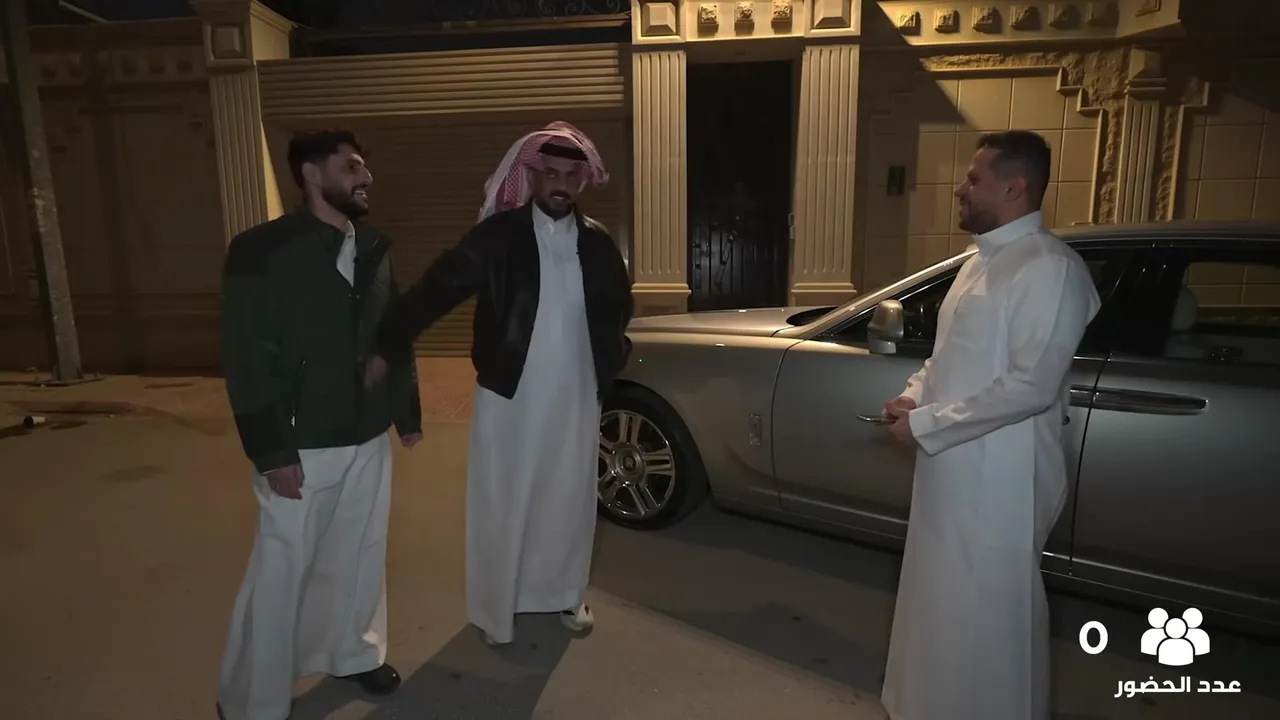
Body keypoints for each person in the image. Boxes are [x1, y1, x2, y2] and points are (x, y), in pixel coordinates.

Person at [365, 121, 633, 647]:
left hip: (578, 395)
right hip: (511, 391)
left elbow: (618, 308)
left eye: (570, 176)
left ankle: (564, 593)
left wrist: (612, 357)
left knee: (568, 498)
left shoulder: (599, 243)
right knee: (504, 499)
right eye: (550, 173)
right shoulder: (498, 237)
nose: (560, 184)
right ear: (532, 176)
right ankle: (497, 609)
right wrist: (389, 338)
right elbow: (438, 287)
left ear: (581, 181)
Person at [878, 130, 1101, 720]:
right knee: (940, 598)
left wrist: (929, 424)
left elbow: (1031, 385)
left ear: (1014, 186)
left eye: (974, 179)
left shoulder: (1050, 268)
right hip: (951, 465)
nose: (961, 189)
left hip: (1004, 475)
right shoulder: (979, 262)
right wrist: (912, 398)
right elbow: (947, 358)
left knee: (992, 614)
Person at [216, 129, 422, 720]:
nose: (366, 177)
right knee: (282, 569)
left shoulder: (373, 247)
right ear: (310, 174)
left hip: (367, 434)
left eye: (364, 166)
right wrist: (271, 450)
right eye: (351, 166)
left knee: (360, 553)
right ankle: (251, 698)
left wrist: (404, 413)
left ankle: (353, 652)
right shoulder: (261, 250)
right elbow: (246, 356)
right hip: (300, 441)